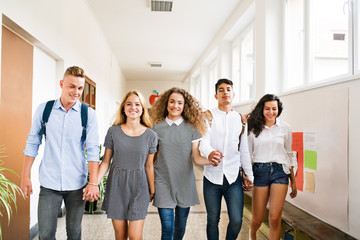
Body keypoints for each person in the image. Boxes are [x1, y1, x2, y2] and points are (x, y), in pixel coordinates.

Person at [21, 66, 100, 240]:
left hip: (76, 184)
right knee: (46, 234)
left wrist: (93, 182)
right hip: (49, 183)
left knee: (74, 232)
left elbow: (93, 150)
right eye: (72, 86)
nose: (76, 92)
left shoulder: (88, 114)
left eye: (80, 88)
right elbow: (33, 142)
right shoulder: (45, 110)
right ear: (62, 84)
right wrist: (25, 175)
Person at [150, 87, 210, 240]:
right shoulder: (156, 128)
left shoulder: (192, 129)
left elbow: (196, 158)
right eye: (172, 102)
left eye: (179, 103)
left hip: (184, 182)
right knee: (167, 228)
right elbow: (151, 159)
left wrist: (212, 160)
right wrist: (150, 186)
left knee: (180, 226)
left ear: (185, 106)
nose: (175, 106)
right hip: (162, 181)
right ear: (166, 104)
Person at [97, 90, 157, 240]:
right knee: (121, 235)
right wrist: (94, 183)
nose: (133, 107)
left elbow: (149, 166)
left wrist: (153, 190)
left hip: (140, 187)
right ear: (123, 108)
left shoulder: (151, 135)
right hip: (116, 186)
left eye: (137, 104)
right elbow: (106, 161)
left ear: (142, 108)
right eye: (129, 104)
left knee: (135, 236)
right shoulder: (113, 132)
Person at [199, 78, 254, 240]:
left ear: (233, 94)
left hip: (233, 178)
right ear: (216, 95)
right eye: (221, 90)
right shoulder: (208, 116)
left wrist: (249, 176)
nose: (225, 92)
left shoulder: (241, 120)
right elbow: (203, 141)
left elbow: (244, 150)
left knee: (237, 220)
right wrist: (209, 153)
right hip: (211, 177)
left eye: (228, 89)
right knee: (212, 220)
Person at [247, 94, 297, 240]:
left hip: (280, 172)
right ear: (262, 110)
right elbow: (248, 154)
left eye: (274, 109)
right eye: (267, 108)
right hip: (259, 171)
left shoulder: (285, 127)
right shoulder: (253, 128)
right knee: (258, 218)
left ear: (278, 109)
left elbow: (289, 154)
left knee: (275, 218)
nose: (271, 112)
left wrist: (293, 181)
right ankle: (253, 234)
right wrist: (247, 176)